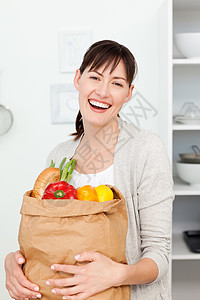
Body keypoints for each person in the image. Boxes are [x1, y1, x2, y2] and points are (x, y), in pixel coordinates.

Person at [5, 40, 174, 300]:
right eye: (95, 77)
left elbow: (159, 255)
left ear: (128, 93)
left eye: (116, 83)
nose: (103, 91)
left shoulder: (145, 149)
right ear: (78, 79)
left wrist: (116, 274)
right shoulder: (60, 157)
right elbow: (45, 236)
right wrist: (12, 263)